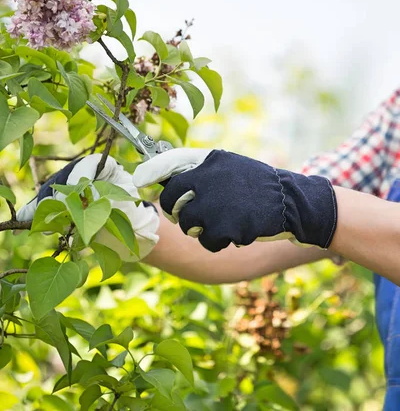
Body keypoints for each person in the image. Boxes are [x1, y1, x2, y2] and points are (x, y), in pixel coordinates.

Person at [17, 87, 400, 409]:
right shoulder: (393, 123)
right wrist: (127, 221)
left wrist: (299, 203)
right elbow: (262, 237)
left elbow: (315, 209)